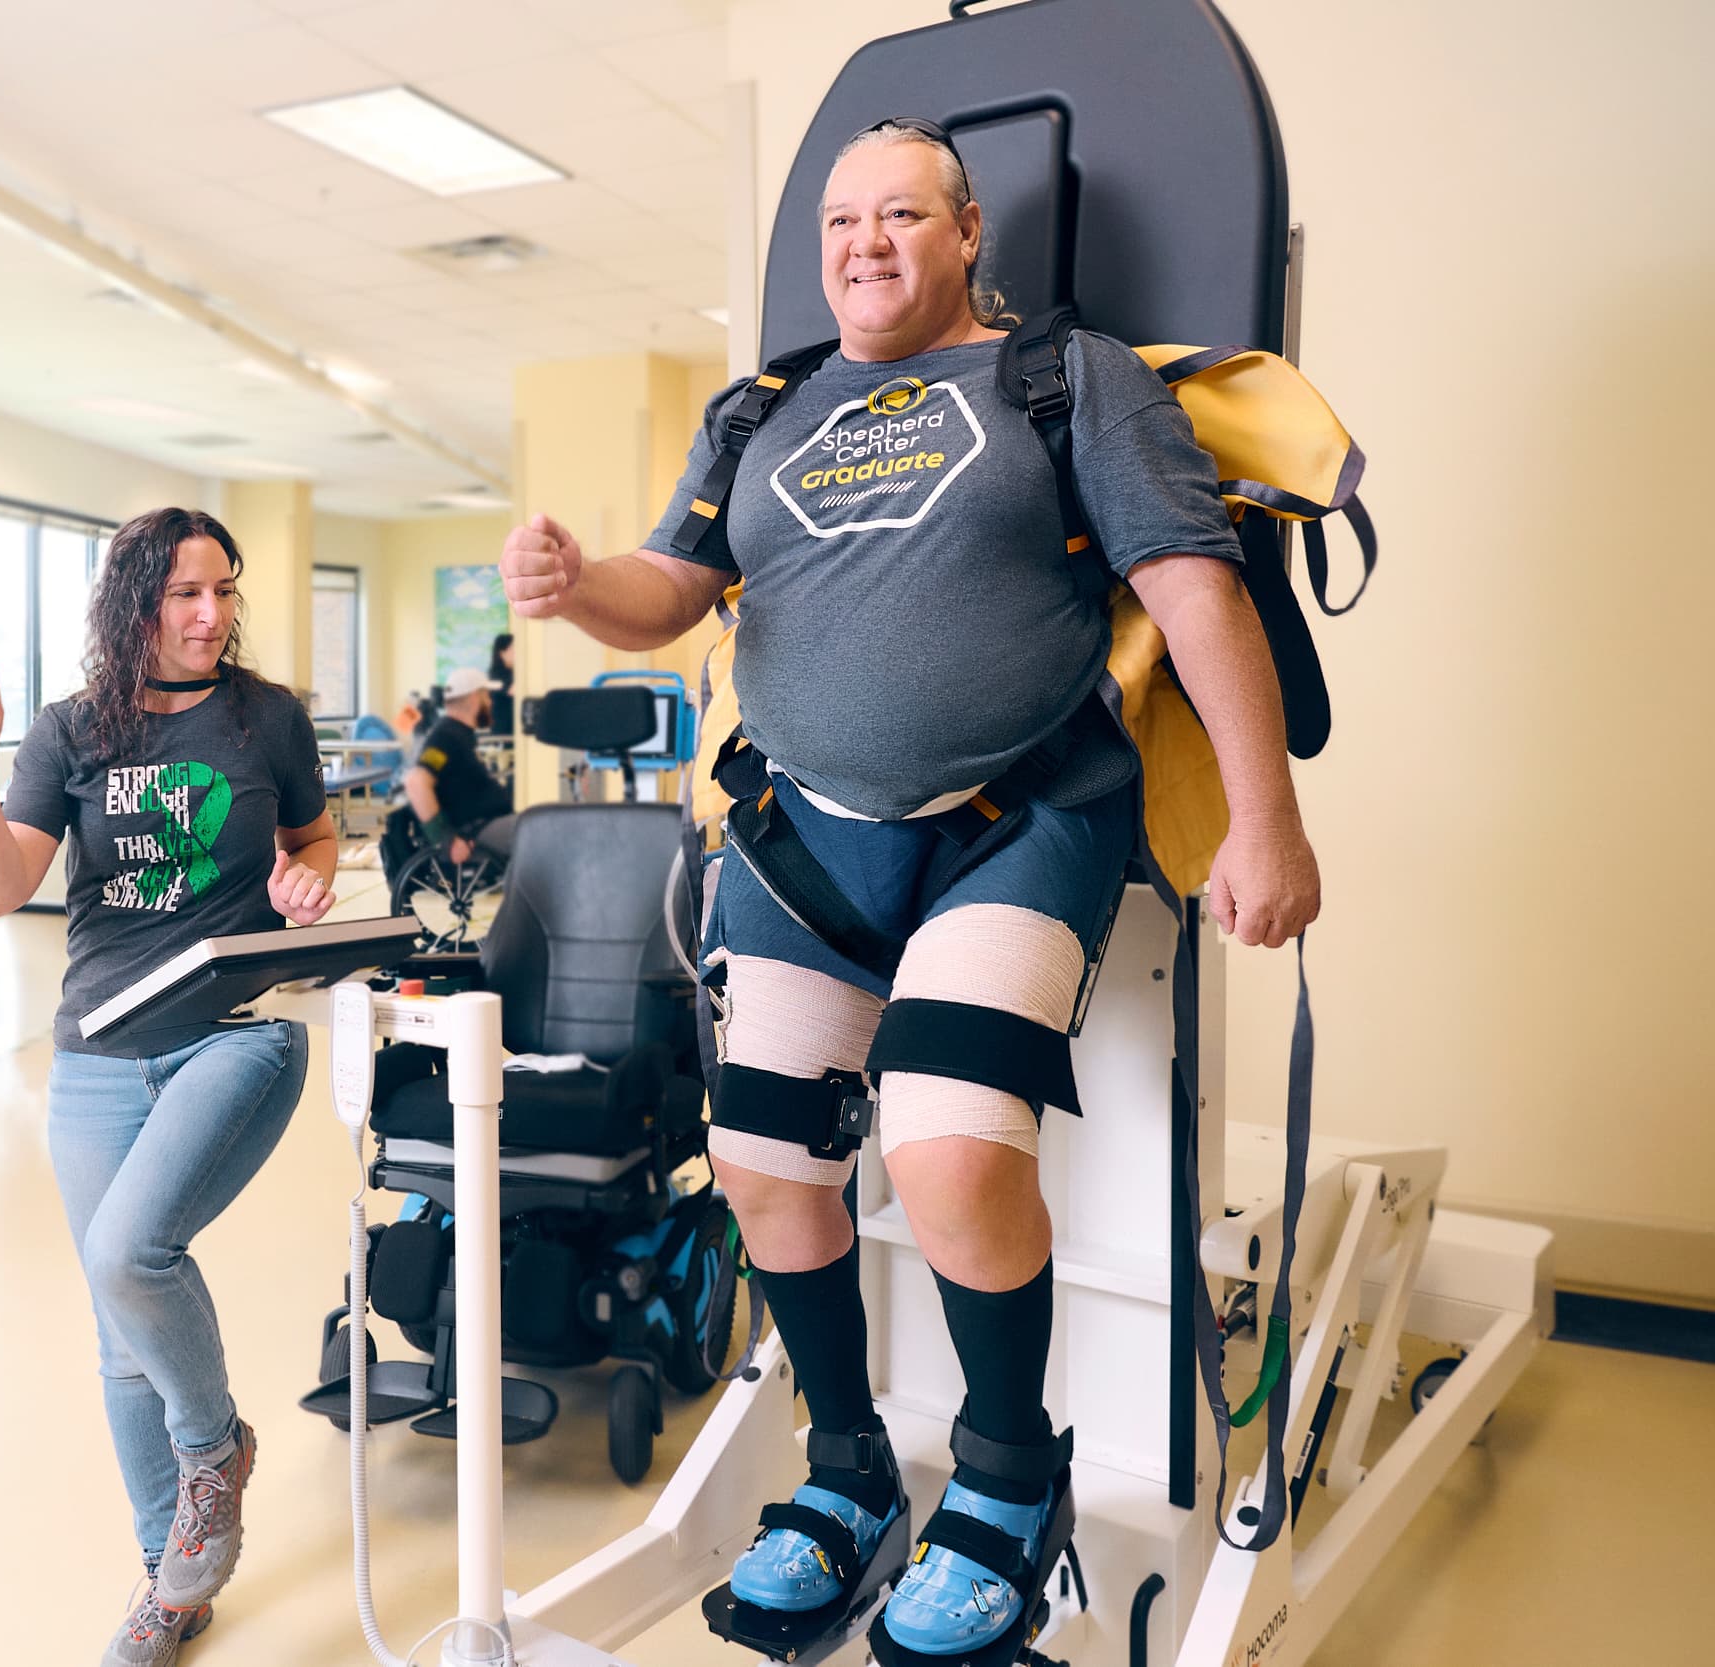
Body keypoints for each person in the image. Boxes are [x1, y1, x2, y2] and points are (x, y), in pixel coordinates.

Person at [498, 119, 1320, 1661]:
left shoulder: (1065, 382)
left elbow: (1194, 593)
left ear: (964, 236)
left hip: (1016, 822)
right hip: (808, 841)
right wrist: (572, 582)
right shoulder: (761, 411)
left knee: (945, 1158)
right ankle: (851, 1467)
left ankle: (1010, 1477)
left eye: (898, 214)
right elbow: (667, 589)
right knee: (760, 1164)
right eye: (838, 219)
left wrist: (1264, 820)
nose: (863, 241)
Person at [0, 507, 338, 1667]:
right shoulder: (71, 730)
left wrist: (307, 883)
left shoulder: (266, 717)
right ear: (135, 606)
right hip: (100, 1045)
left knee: (128, 1254)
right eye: (184, 596)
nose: (211, 614)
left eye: (223, 591)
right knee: (121, 1340)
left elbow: (315, 836)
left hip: (238, 1027)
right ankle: (173, 1581)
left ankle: (214, 1450)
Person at [403, 665, 514, 867]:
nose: (490, 703)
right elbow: (416, 781)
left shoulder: (459, 734)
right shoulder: (446, 737)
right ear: (474, 699)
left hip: (490, 823)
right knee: (543, 831)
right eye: (486, 697)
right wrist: (445, 839)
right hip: (478, 831)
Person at [481, 631, 516, 735]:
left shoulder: (513, 673)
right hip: (504, 734)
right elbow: (512, 691)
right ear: (502, 653)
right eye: (513, 648)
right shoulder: (495, 675)